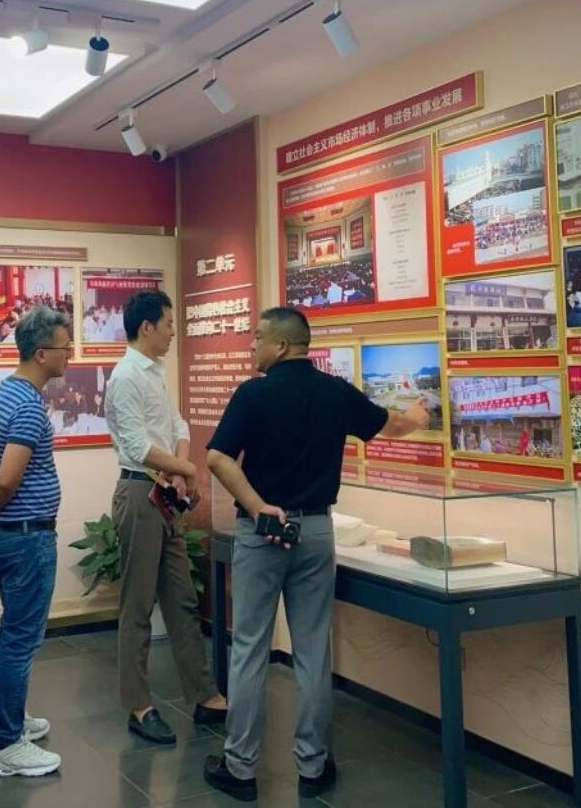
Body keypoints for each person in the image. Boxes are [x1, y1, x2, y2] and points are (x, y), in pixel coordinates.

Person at [201, 306, 430, 802]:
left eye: (258, 338)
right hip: (317, 531)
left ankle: (240, 767)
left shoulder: (253, 394)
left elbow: (217, 458)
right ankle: (313, 764)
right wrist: (416, 417)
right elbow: (390, 425)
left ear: (282, 345)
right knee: (312, 651)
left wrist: (259, 507)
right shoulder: (335, 392)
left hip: (262, 533)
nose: (252, 346)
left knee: (249, 649)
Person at [104, 288, 227, 745]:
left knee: (182, 599)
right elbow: (138, 447)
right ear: (147, 326)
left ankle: (205, 695)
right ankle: (139, 706)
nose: (174, 332)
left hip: (165, 493)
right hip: (140, 494)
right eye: (170, 324)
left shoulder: (154, 372)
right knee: (137, 606)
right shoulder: (125, 377)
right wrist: (187, 470)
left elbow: (178, 426)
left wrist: (179, 469)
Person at [0, 306, 70, 778]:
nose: (69, 355)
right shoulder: (25, 405)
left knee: (14, 634)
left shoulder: (4, 392)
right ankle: (5, 744)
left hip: (12, 536)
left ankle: (10, 719)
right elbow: (6, 479)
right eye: (64, 348)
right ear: (41, 354)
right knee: (20, 639)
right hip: (25, 539)